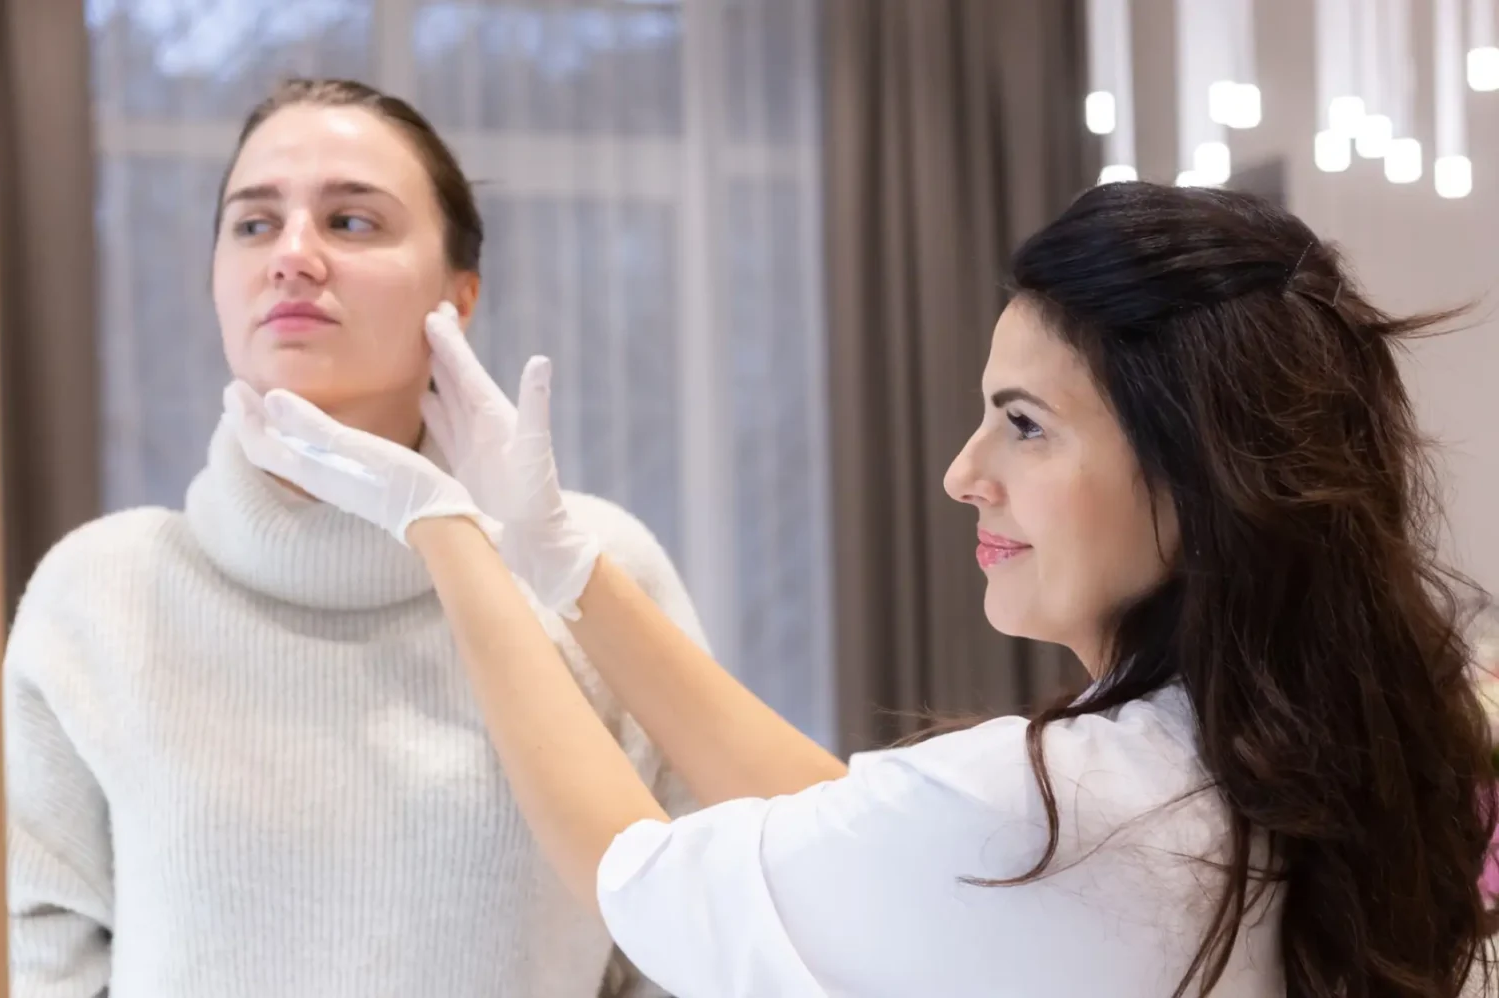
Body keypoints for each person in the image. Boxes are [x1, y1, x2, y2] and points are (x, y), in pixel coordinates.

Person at [228, 181, 1498, 997]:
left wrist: (447, 526)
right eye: (253, 217)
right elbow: (860, 827)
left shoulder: (1056, 809)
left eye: (1024, 424)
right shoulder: (1319, 761)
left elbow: (641, 867)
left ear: (1195, 471)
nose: (964, 473)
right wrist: (562, 565)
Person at [2, 78, 705, 998]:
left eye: (353, 223)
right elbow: (31, 952)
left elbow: (703, 933)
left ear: (459, 295)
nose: (292, 256)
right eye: (253, 225)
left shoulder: (595, 574)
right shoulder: (98, 592)